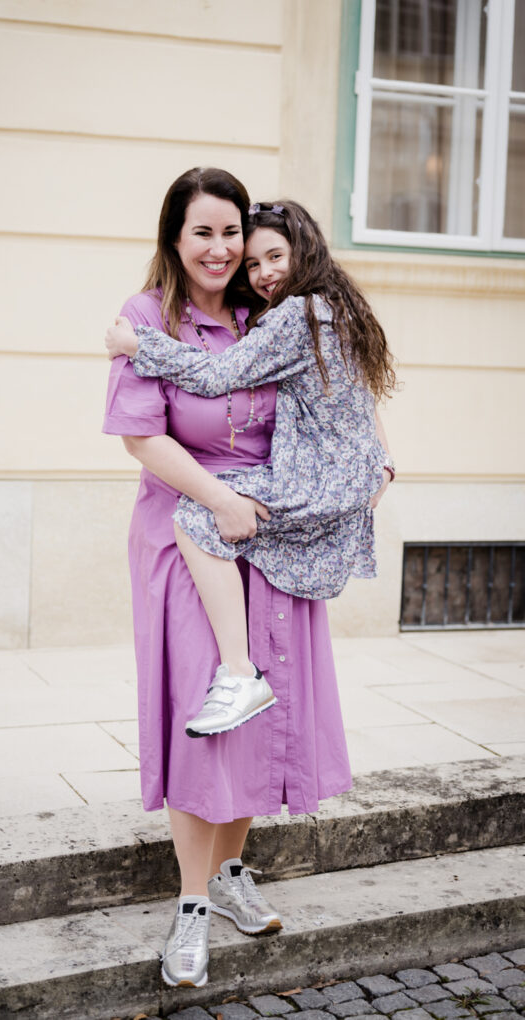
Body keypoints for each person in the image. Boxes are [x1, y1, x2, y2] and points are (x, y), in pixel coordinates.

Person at [102, 169, 375, 990]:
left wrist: (378, 458)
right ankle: (190, 904)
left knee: (263, 707)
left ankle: (228, 873)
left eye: (234, 235)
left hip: (271, 526)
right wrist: (218, 500)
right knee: (207, 711)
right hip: (191, 528)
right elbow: (142, 438)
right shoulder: (149, 316)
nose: (224, 252)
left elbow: (340, 388)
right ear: (175, 239)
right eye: (205, 234)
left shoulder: (271, 305)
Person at [105, 200, 396, 742]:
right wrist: (383, 463)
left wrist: (137, 344)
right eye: (255, 263)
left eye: (276, 257)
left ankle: (240, 674)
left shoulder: (294, 316)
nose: (264, 273)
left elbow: (217, 374)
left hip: (321, 475)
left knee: (197, 516)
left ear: (304, 252)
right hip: (347, 474)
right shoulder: (336, 308)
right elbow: (361, 395)